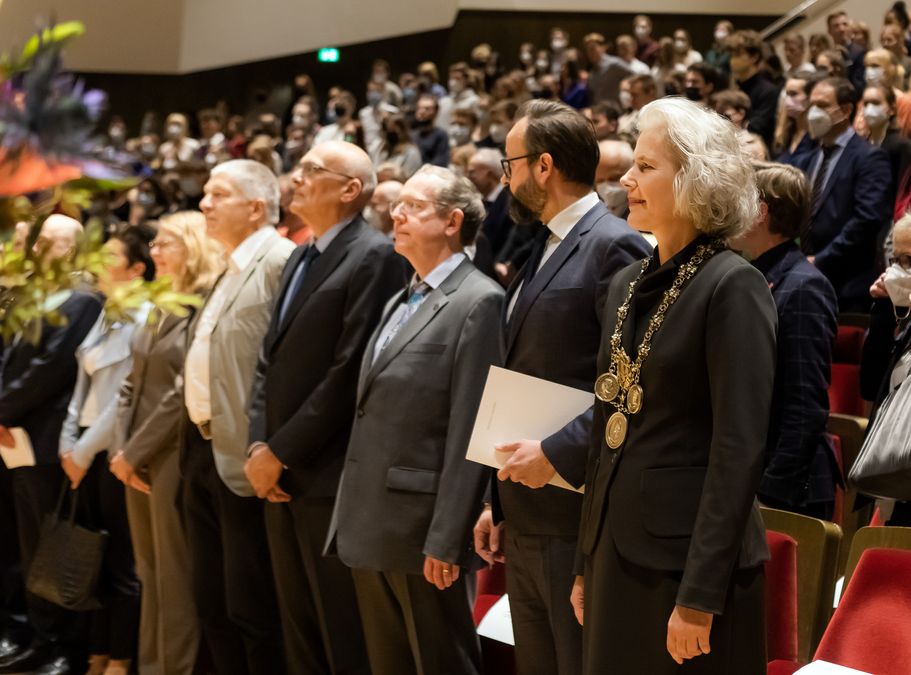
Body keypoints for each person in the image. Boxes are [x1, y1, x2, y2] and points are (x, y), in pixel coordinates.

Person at [573, 97, 776, 674]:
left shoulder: (733, 285)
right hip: (617, 552)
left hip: (689, 567)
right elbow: (604, 426)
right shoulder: (625, 283)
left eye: (645, 166)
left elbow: (738, 450)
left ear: (695, 178)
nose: (627, 180)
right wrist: (585, 559)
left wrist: (699, 596)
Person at [472, 99, 650, 675]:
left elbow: (627, 381)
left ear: (543, 166)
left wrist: (554, 452)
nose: (507, 178)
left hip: (572, 506)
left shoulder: (613, 243)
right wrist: (492, 501)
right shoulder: (542, 244)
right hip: (524, 503)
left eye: (510, 165)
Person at [329, 166, 503, 675]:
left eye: (413, 207)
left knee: (440, 662)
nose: (395, 214)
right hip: (373, 518)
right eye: (396, 204)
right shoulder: (402, 296)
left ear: (452, 221)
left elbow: (472, 426)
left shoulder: (479, 301)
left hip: (423, 528)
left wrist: (448, 535)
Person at [244, 141, 405, 674]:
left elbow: (349, 371)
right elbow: (268, 359)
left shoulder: (374, 254)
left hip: (326, 473)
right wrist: (258, 444)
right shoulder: (302, 255)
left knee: (339, 629)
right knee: (299, 627)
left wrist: (282, 450)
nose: (297, 177)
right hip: (279, 468)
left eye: (312, 170)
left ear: (350, 189)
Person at [181, 160, 294, 675]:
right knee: (212, 603)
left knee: (252, 606)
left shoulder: (280, 260)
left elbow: (288, 366)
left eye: (217, 194)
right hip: (203, 449)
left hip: (247, 454)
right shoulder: (227, 265)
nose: (204, 203)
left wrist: (264, 444)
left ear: (255, 208)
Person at [110, 212, 224, 675]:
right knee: (148, 572)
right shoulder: (161, 301)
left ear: (194, 247)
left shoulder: (202, 303)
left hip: (172, 454)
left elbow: (183, 392)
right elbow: (129, 385)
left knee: (174, 576)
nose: (155, 252)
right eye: (154, 245)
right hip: (134, 457)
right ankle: (152, 664)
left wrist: (133, 452)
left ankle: (173, 668)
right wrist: (122, 451)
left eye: (166, 245)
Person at [0, 215, 104, 675]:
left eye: (54, 244)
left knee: (51, 542)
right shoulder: (33, 293)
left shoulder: (82, 300)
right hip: (14, 436)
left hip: (44, 437)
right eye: (39, 241)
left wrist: (0, 412)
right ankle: (38, 637)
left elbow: (50, 366)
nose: (41, 249)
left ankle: (64, 646)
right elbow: (7, 357)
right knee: (23, 540)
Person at [58, 226, 156, 675]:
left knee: (120, 560)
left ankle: (121, 657)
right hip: (80, 447)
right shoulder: (106, 311)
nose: (100, 262)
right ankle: (97, 650)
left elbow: (121, 399)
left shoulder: (145, 315)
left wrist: (80, 453)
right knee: (90, 554)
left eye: (112, 255)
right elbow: (82, 384)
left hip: (111, 449)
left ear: (138, 269)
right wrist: (67, 441)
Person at [732, 162, 840, 519]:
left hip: (790, 491)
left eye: (739, 202)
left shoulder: (804, 286)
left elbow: (805, 405)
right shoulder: (758, 276)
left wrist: (770, 492)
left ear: (761, 212)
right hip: (755, 474)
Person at [784, 77, 891, 311]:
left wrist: (821, 259)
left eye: (822, 106)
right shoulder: (810, 158)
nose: (813, 113)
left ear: (845, 110)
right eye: (812, 105)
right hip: (804, 275)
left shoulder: (869, 158)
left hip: (847, 284)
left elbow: (867, 219)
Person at [860, 212, 911, 526]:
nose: (901, 270)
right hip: (900, 482)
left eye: (910, 259)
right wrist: (883, 310)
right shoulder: (904, 321)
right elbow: (869, 386)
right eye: (897, 259)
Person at [859, 83, 911, 219]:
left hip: (888, 222)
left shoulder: (902, 146)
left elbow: (902, 193)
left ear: (892, 109)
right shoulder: (861, 145)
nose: (869, 109)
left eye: (875, 103)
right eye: (866, 104)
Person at [729, 30, 782, 149]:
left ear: (754, 57)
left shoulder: (769, 91)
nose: (733, 60)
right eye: (732, 55)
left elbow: (755, 128)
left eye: (738, 54)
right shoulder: (736, 89)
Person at [466, 148, 514, 259]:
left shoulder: (510, 200)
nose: (467, 177)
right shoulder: (480, 201)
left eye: (472, 172)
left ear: (489, 174)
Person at [583, 33, 632, 105]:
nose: (591, 52)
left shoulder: (614, 64)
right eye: (588, 50)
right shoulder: (592, 72)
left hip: (615, 111)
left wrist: (626, 85)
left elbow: (635, 76)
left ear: (602, 47)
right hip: (599, 111)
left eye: (593, 48)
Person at [595, 140, 634, 219]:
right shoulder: (592, 212)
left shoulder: (650, 211)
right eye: (600, 180)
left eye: (614, 178)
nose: (607, 188)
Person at [377, 114, 423, 179]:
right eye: (388, 129)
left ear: (402, 130)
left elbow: (409, 176)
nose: (389, 132)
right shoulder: (382, 149)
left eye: (393, 129)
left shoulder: (412, 152)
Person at [411, 95, 450, 168]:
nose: (422, 112)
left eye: (427, 109)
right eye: (419, 108)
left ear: (436, 112)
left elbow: (440, 163)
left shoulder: (441, 135)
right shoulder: (412, 135)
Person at [618, 74, 658, 139]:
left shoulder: (662, 116)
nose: (631, 99)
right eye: (631, 95)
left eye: (635, 95)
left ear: (651, 92)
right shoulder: (630, 117)